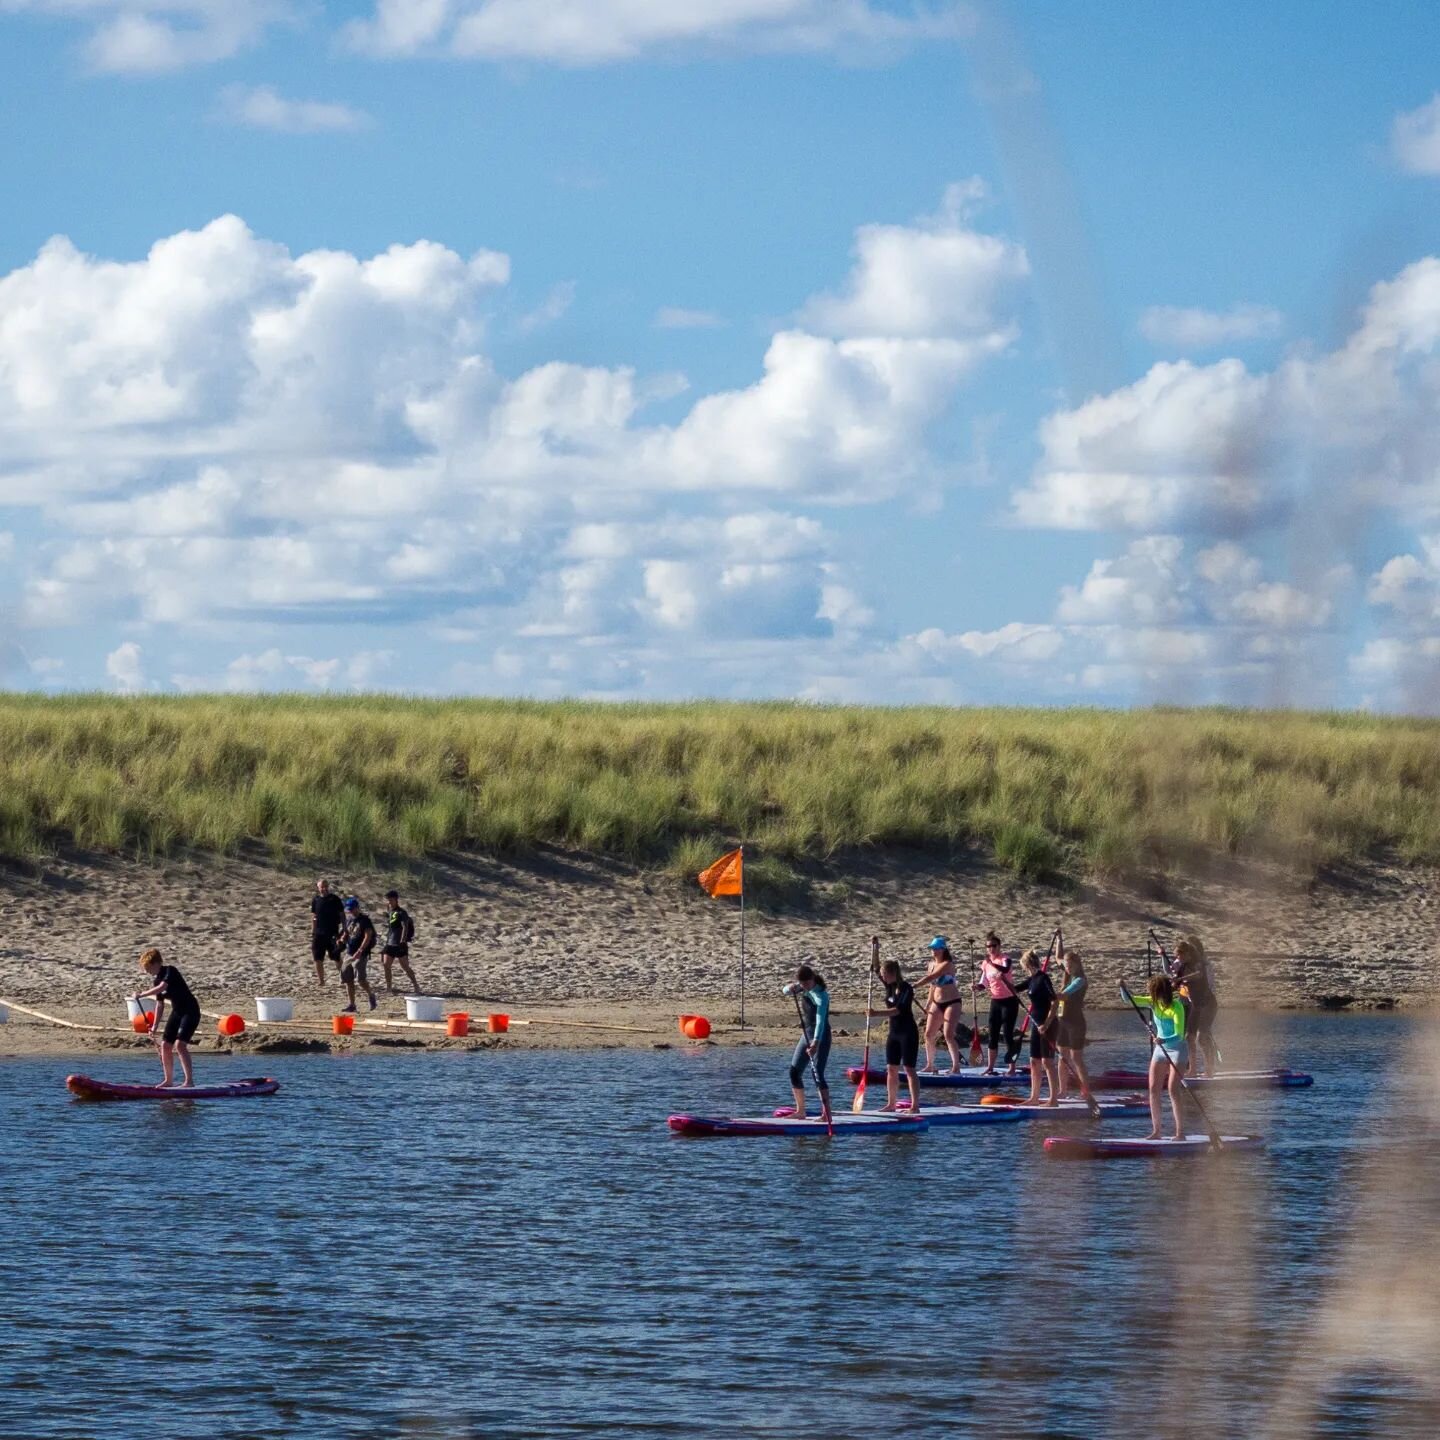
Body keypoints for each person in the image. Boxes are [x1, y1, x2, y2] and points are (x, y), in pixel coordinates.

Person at [1122, 974, 1189, 1141]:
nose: (1149, 993)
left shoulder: (1176, 1007)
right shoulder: (1153, 1002)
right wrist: (1123, 987)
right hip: (1160, 1050)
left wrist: (1163, 1039)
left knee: (1173, 1089)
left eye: (1151, 989)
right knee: (1153, 1089)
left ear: (1159, 991)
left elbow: (1179, 1034)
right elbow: (1130, 1000)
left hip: (1177, 1049)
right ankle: (1156, 1131)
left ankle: (1180, 1133)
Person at [132, 947, 201, 1088]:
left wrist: (142, 994)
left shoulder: (170, 971)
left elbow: (163, 987)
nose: (147, 971)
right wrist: (154, 1026)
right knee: (165, 1045)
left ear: (156, 963)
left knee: (180, 1045)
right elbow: (160, 1005)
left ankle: (189, 1082)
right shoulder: (156, 981)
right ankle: (168, 1080)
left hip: (191, 1010)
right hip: (177, 1011)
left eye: (148, 967)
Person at [868, 958, 921, 1114]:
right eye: (882, 975)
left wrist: (876, 1013)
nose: (882, 977)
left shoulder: (906, 989)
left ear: (892, 973)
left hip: (908, 1033)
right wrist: (876, 947)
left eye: (885, 974)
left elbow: (897, 1010)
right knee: (891, 1068)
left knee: (909, 1069)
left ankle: (915, 1106)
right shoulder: (888, 986)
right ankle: (891, 1104)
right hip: (894, 1033)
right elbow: (876, 967)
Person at [1054, 950, 1101, 1117]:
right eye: (1066, 966)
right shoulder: (1067, 974)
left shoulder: (1080, 980)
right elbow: (1057, 957)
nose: (1067, 968)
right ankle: (1062, 1090)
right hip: (1063, 1022)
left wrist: (1044, 993)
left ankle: (1085, 1091)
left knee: (1076, 1058)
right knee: (1062, 1057)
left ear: (1077, 964)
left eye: (1070, 965)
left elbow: (1063, 995)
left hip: (1076, 1024)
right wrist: (1059, 938)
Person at [782, 965, 832, 1122]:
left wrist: (816, 1043)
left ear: (812, 979)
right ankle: (801, 1111)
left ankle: (826, 1115)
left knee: (817, 1073)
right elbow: (785, 991)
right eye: (801, 984)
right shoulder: (801, 987)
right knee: (794, 1072)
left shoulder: (821, 996)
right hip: (806, 1034)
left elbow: (820, 1022)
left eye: (806, 984)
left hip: (821, 1035)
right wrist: (790, 987)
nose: (804, 987)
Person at [1170, 935, 1219, 1078]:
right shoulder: (1183, 966)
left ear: (1189, 953)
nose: (1178, 959)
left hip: (1208, 1005)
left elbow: (1197, 975)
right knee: (1189, 1037)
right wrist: (1173, 983)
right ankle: (1192, 1070)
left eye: (1181, 955)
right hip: (1196, 1006)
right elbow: (1176, 984)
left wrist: (1180, 979)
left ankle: (1209, 1070)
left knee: (1202, 1037)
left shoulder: (1199, 964)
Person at [1016, 949, 1059, 1106]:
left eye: (1023, 965)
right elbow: (1014, 989)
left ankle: (1053, 1099)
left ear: (1027, 964)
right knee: (1034, 1061)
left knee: (1047, 1062)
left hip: (1048, 1024)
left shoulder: (1043, 979)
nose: (1023, 968)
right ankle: (1034, 1098)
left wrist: (1046, 1023)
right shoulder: (1031, 980)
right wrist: (999, 980)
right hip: (1035, 1024)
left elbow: (1054, 1002)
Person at [975, 931, 1021, 1076]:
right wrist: (978, 987)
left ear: (999, 946)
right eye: (988, 946)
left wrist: (992, 963)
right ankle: (990, 1067)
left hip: (1009, 1001)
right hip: (995, 1001)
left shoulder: (1005, 959)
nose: (991, 949)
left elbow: (1006, 969)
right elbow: (984, 982)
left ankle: (1011, 1068)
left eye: (994, 946)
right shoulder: (986, 964)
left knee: (1007, 1034)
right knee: (992, 1034)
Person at [919, 936, 966, 1074]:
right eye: (932, 949)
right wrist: (928, 1004)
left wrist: (914, 986)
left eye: (936, 948)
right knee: (928, 1034)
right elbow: (932, 985)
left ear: (943, 949)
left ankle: (956, 1067)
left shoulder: (948, 964)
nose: (933, 951)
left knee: (948, 1035)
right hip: (936, 1002)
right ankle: (930, 1065)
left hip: (952, 1002)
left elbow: (930, 978)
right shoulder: (931, 964)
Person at [340, 897, 378, 1014]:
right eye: (349, 910)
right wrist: (342, 939)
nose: (350, 911)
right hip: (349, 952)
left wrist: (361, 950)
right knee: (347, 978)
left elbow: (368, 936)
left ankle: (371, 995)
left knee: (360, 979)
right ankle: (352, 1004)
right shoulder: (350, 919)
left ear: (357, 908)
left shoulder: (364, 920)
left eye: (352, 909)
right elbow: (347, 933)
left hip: (361, 954)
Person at [381, 889, 419, 994]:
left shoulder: (402, 912)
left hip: (399, 944)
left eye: (391, 900)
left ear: (396, 900)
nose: (389, 902)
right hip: (390, 943)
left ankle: (416, 985)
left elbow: (405, 927)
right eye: (388, 900)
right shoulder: (390, 912)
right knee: (386, 965)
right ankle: (389, 988)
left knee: (405, 967)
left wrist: (402, 940)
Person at [309, 878, 346, 987]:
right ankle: (321, 981)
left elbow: (342, 914)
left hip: (333, 932)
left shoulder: (334, 899)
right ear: (318, 888)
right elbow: (314, 916)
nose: (324, 889)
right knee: (317, 957)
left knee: (336, 956)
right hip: (319, 933)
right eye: (322, 887)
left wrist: (344, 928)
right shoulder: (315, 900)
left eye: (326, 886)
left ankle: (343, 978)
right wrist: (313, 930)